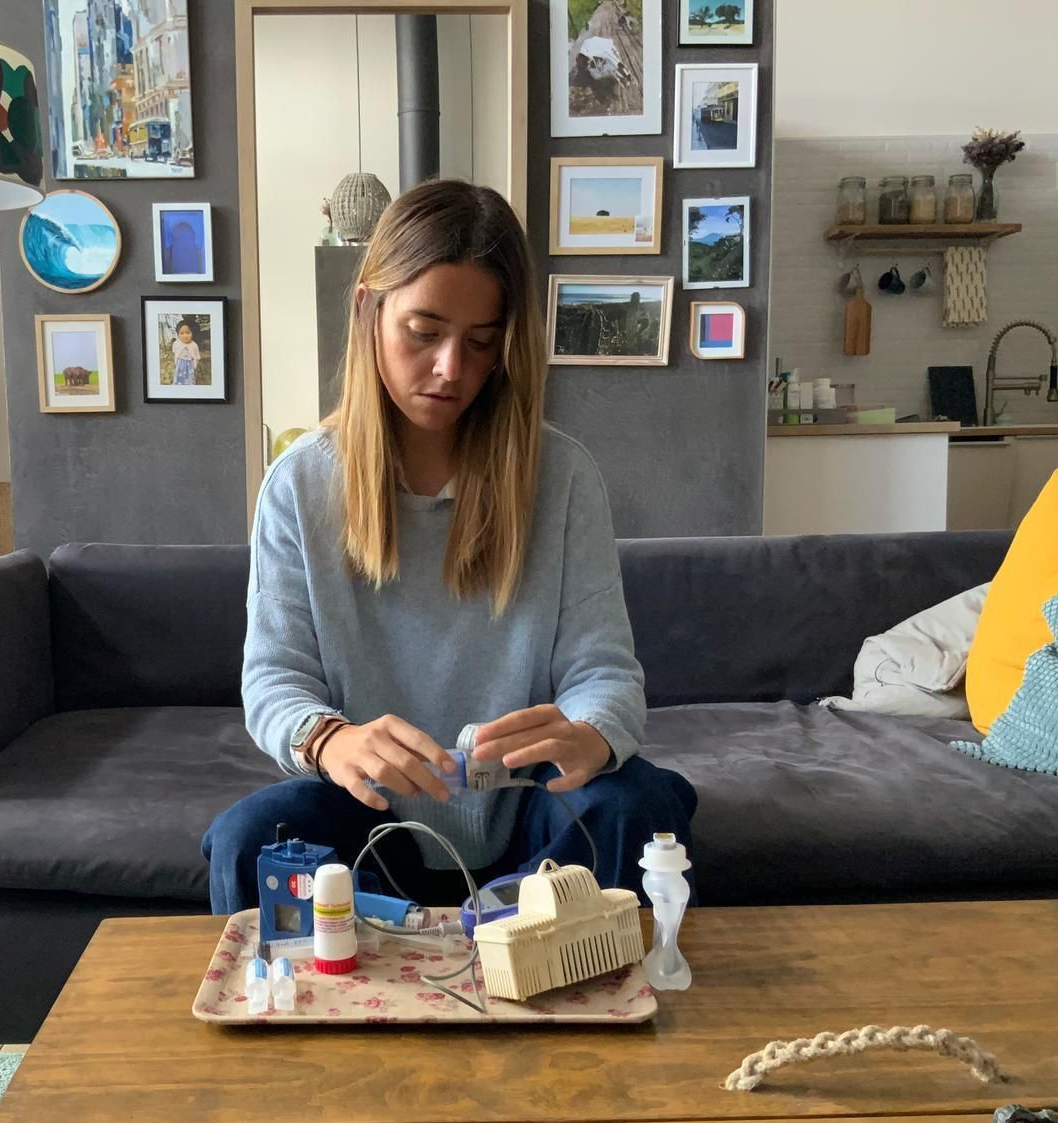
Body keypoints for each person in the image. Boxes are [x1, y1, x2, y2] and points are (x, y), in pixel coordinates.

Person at [201, 179, 698, 915]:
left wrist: (592, 732)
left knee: (640, 803)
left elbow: (605, 672)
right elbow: (276, 681)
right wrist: (331, 742)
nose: (450, 369)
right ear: (369, 308)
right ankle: (316, 1022)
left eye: (480, 342)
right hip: (369, 820)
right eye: (423, 331)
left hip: (532, 815)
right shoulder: (300, 484)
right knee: (250, 838)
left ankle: (576, 999)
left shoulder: (562, 478)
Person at [172, 319, 201, 386]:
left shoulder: (194, 345)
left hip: (190, 364)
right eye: (181, 333)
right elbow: (174, 351)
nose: (185, 336)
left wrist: (195, 365)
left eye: (188, 332)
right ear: (178, 334)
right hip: (180, 363)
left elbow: (197, 356)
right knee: (179, 375)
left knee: (190, 377)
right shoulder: (176, 343)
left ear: (192, 333)